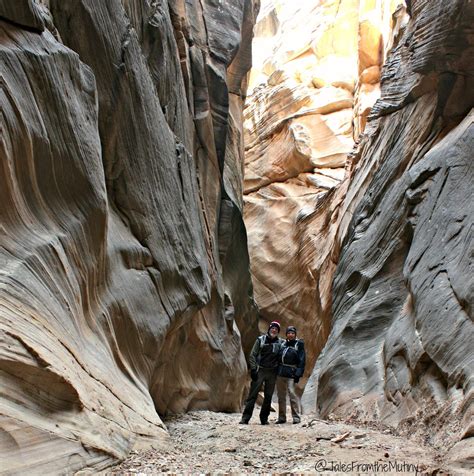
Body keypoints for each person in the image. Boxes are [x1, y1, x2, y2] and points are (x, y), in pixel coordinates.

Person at [239, 321, 283, 425]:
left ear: (278, 331)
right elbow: (253, 355)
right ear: (269, 329)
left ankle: (264, 419)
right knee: (252, 395)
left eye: (276, 329)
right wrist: (254, 369)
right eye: (273, 328)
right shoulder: (260, 340)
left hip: (272, 372)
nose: (274, 330)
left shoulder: (280, 342)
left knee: (268, 397)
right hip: (260, 371)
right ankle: (245, 418)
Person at [275, 325, 305, 424]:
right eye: (288, 333)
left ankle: (296, 417)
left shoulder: (299, 344)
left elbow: (302, 360)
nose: (290, 335)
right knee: (281, 396)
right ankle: (281, 417)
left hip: (291, 373)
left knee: (292, 394)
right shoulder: (283, 344)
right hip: (280, 373)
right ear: (286, 334)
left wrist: (298, 374)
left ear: (295, 334)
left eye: (292, 333)